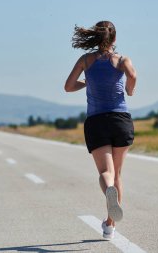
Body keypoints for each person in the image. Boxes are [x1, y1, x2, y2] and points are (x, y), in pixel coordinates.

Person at [64, 20, 137, 239]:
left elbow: (68, 86)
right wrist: (129, 90)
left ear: (96, 38)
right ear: (114, 38)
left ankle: (108, 194)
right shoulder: (122, 59)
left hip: (96, 121)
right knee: (118, 174)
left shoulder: (86, 60)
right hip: (120, 119)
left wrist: (87, 83)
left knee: (106, 173)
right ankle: (110, 224)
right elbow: (133, 76)